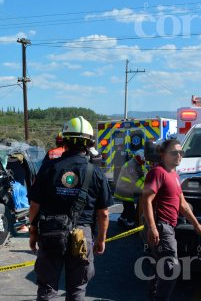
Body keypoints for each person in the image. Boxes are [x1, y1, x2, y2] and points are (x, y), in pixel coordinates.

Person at [28, 116, 114, 301]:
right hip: (81, 236)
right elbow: (104, 213)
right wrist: (101, 240)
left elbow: (34, 205)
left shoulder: (49, 168)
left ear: (64, 140)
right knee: (76, 290)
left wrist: (33, 232)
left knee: (47, 289)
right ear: (89, 143)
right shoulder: (96, 172)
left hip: (50, 232)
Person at [141, 139, 201, 301]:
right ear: (162, 155)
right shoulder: (157, 172)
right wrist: (152, 227)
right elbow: (146, 200)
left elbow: (182, 204)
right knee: (170, 268)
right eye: (174, 152)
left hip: (169, 227)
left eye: (181, 152)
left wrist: (196, 224)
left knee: (160, 267)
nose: (179, 156)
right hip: (161, 227)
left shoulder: (175, 175)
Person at [114, 149, 147, 228]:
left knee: (127, 208)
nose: (143, 163)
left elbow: (141, 178)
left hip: (127, 189)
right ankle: (130, 225)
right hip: (124, 190)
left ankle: (121, 220)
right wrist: (145, 189)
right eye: (142, 161)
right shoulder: (131, 165)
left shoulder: (137, 164)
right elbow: (135, 181)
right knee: (130, 209)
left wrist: (146, 183)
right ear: (138, 158)